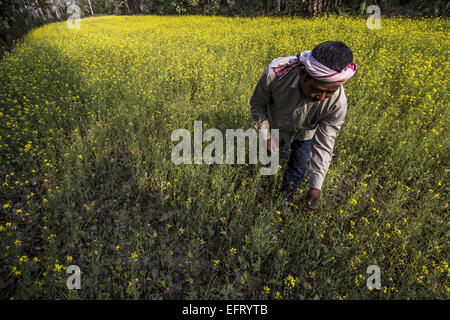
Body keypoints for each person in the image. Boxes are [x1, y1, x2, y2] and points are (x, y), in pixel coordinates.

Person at [249, 41, 357, 213]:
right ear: (302, 73)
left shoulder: (338, 103)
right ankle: (271, 171)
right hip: (276, 126)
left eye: (329, 92)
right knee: (273, 157)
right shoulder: (275, 74)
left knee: (298, 168)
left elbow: (325, 143)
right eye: (317, 89)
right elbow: (258, 103)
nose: (321, 98)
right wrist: (265, 135)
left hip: (304, 133)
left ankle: (283, 202)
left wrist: (316, 186)